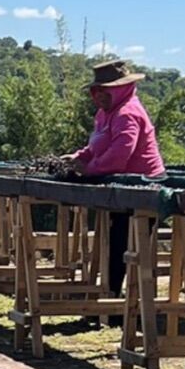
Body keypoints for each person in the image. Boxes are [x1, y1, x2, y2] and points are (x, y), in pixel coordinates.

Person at [68, 60, 166, 300]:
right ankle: (111, 297)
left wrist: (88, 169)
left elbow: (120, 155)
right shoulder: (105, 114)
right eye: (97, 90)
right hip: (120, 185)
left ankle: (119, 301)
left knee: (126, 244)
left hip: (143, 187)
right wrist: (78, 157)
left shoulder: (128, 113)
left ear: (120, 89)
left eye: (105, 89)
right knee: (115, 242)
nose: (100, 94)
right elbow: (97, 145)